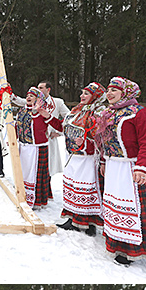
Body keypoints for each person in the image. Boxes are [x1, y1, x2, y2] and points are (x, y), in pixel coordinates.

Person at [94, 77, 146, 266]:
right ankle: (117, 243)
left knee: (134, 208)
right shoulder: (107, 114)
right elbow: (105, 142)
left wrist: (143, 168)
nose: (109, 94)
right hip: (114, 167)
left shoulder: (139, 113)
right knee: (115, 205)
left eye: (115, 90)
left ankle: (132, 249)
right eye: (108, 91)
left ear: (126, 92)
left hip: (132, 167)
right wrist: (104, 161)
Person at [55, 82, 106, 234]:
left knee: (86, 190)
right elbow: (63, 127)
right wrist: (48, 118)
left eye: (86, 94)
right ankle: (72, 218)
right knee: (73, 188)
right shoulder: (77, 110)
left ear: (95, 96)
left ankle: (88, 222)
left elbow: (102, 137)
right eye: (82, 93)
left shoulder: (99, 112)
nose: (82, 96)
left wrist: (87, 141)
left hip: (87, 158)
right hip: (72, 156)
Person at [15, 86, 61, 208]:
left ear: (38, 98)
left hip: (37, 148)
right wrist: (14, 138)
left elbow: (58, 126)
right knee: (24, 173)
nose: (28, 97)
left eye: (32, 95)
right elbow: (18, 126)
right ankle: (23, 195)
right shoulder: (22, 111)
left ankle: (37, 200)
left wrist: (39, 112)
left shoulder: (42, 112)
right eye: (27, 95)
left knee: (36, 175)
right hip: (24, 147)